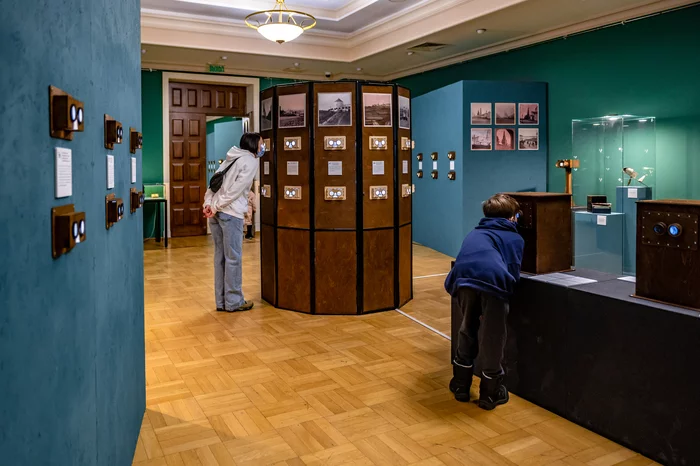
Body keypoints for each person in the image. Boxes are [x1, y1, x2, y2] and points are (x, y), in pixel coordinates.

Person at [443, 193, 524, 410]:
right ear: (512, 217)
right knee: (492, 335)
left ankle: (460, 384)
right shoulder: (513, 237)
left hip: (463, 281)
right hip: (492, 283)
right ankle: (490, 392)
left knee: (467, 328)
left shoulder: (475, 232)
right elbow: (513, 271)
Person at [203, 132, 264, 313]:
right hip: (231, 214)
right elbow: (236, 191)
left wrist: (209, 205)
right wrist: (217, 206)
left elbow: (212, 184)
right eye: (261, 144)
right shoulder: (251, 161)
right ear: (254, 145)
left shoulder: (230, 158)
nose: (263, 147)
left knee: (219, 257)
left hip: (216, 214)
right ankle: (234, 301)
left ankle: (221, 302)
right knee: (233, 258)